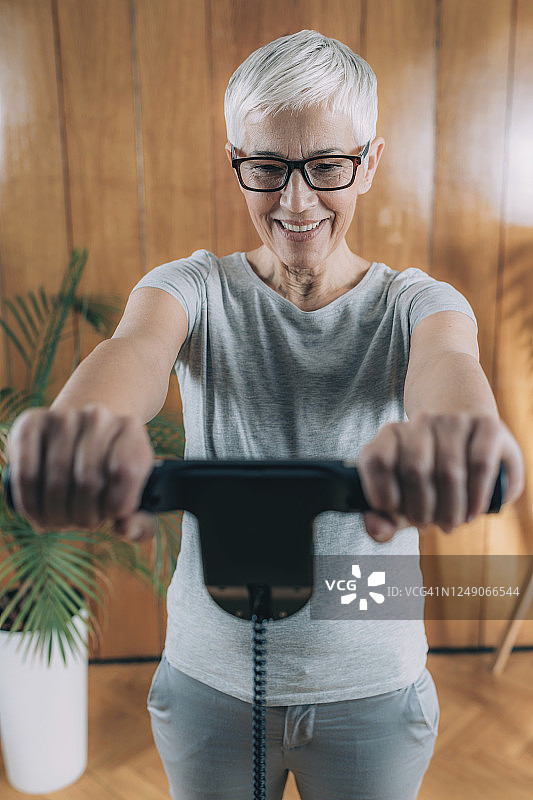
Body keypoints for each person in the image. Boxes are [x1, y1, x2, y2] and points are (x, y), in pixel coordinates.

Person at [7, 29, 524, 800]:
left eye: (324, 166)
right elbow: (138, 349)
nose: (294, 201)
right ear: (235, 164)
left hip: (371, 687)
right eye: (267, 168)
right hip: (207, 684)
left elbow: (447, 366)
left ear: (369, 163)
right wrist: (88, 419)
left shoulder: (415, 303)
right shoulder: (193, 286)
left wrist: (459, 433)